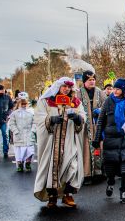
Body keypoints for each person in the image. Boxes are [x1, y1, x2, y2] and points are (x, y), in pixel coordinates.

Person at [33, 77, 86, 208]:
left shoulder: (75, 102)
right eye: (64, 87)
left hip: (69, 139)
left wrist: (78, 118)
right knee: (52, 168)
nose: (67, 89)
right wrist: (51, 119)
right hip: (52, 141)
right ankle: (52, 196)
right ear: (57, 87)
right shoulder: (46, 101)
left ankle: (68, 195)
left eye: (69, 87)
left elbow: (83, 116)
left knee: (72, 166)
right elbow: (39, 117)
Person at [95, 78, 125, 202]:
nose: (115, 91)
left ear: (124, 90)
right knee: (110, 166)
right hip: (111, 138)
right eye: (114, 88)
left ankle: (124, 191)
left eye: (118, 89)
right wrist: (97, 138)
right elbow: (100, 121)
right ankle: (110, 182)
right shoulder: (108, 102)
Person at [77, 70, 106, 183]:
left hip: (98, 127)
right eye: (89, 80)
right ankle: (86, 174)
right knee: (86, 150)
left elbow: (106, 106)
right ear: (84, 81)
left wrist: (99, 111)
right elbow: (75, 107)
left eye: (93, 79)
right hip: (85, 128)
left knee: (99, 148)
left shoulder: (99, 92)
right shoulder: (79, 93)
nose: (92, 82)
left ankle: (99, 173)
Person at [7, 92, 36, 172]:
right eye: (22, 104)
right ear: (19, 104)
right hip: (19, 135)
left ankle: (28, 163)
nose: (23, 105)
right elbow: (11, 123)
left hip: (29, 135)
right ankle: (20, 164)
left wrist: (33, 130)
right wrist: (16, 131)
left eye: (25, 104)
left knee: (29, 150)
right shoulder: (15, 113)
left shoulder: (31, 112)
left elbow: (35, 122)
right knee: (19, 152)